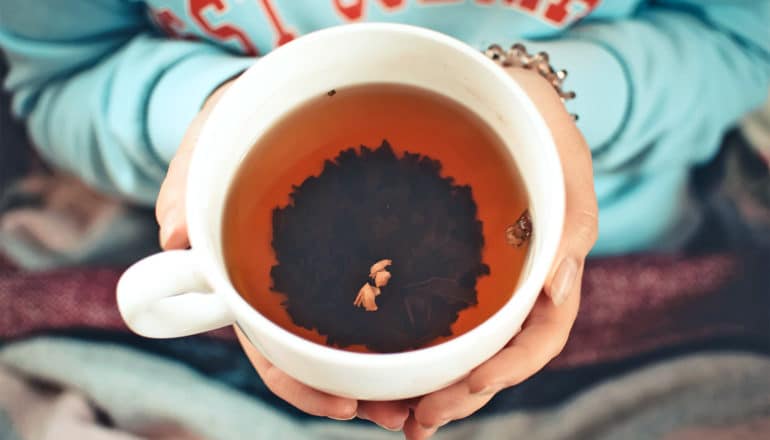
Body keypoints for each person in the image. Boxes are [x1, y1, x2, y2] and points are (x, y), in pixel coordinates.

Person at [0, 1, 768, 438]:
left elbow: (741, 37)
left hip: (643, 290)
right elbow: (60, 75)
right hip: (197, 337)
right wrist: (218, 107)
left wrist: (558, 93)